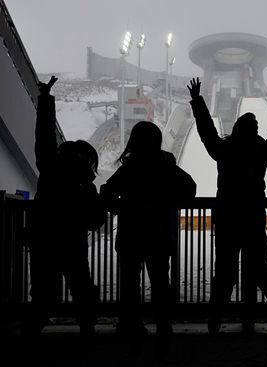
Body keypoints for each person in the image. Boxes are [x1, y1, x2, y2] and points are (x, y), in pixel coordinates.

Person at [187, 77, 267, 335]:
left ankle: (214, 323)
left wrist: (198, 101)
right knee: (263, 274)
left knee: (224, 275)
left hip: (227, 219)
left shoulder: (224, 150)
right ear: (254, 131)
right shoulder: (261, 152)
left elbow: (206, 132)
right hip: (252, 219)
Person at [100, 121, 196, 353]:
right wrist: (169, 203)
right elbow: (190, 188)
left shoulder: (130, 168)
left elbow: (106, 191)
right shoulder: (166, 167)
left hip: (131, 236)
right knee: (161, 284)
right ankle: (164, 329)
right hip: (160, 236)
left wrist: (121, 208)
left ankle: (132, 327)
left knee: (130, 285)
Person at [23, 76, 105, 339]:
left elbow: (44, 137)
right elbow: (96, 220)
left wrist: (46, 99)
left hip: (43, 240)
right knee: (82, 288)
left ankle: (33, 334)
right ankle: (87, 330)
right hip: (73, 244)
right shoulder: (85, 185)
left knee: (42, 290)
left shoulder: (50, 168)